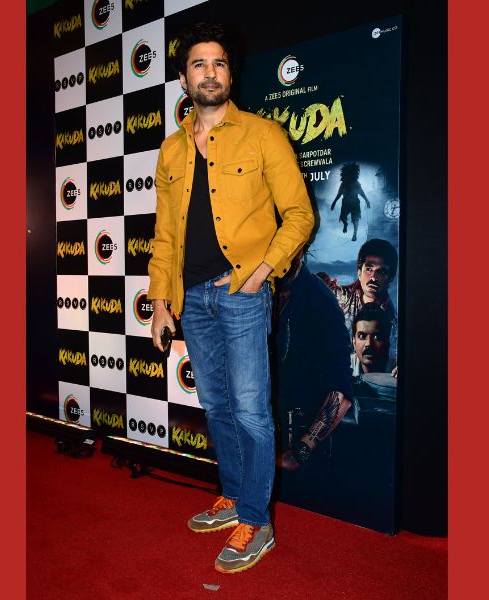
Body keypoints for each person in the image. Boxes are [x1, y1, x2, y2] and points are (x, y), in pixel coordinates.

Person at [147, 22, 314, 574]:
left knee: (251, 412)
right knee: (216, 407)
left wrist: (261, 271)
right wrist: (161, 302)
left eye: (218, 62)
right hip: (192, 298)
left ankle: (257, 522)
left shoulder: (263, 134)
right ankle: (236, 496)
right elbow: (165, 236)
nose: (210, 72)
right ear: (183, 78)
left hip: (242, 294)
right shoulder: (170, 151)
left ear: (229, 73)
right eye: (199, 64)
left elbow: (299, 215)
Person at [273, 249, 354, 473]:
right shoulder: (263, 291)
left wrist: (302, 449)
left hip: (299, 444)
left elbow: (340, 391)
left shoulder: (321, 301)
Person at [329, 238, 399, 374]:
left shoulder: (395, 320)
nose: (373, 278)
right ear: (359, 273)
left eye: (381, 272)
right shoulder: (336, 297)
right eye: (369, 269)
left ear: (390, 278)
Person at [330, 163, 370, 241]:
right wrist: (334, 202)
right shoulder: (343, 184)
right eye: (347, 174)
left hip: (355, 203)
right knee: (342, 217)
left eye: (350, 174)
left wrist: (367, 200)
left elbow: (361, 192)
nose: (348, 176)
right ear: (345, 174)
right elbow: (339, 194)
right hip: (346, 203)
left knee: (356, 219)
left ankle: (354, 234)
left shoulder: (356, 183)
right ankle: (345, 224)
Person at [350, 304, 393, 375]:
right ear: (354, 342)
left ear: (387, 341)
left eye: (376, 337)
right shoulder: (344, 366)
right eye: (362, 336)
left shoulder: (398, 369)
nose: (369, 344)